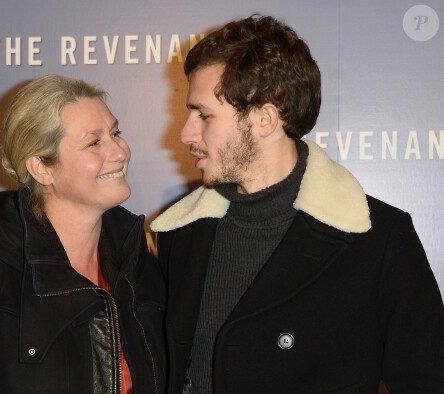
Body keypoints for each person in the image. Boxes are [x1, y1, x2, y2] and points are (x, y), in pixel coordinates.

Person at [150, 14, 444, 394]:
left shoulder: (378, 239)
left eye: (204, 115)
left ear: (266, 118)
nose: (185, 133)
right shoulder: (182, 234)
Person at [0, 74, 166, 393]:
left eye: (115, 133)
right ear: (41, 168)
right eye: (94, 142)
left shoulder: (133, 255)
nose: (119, 151)